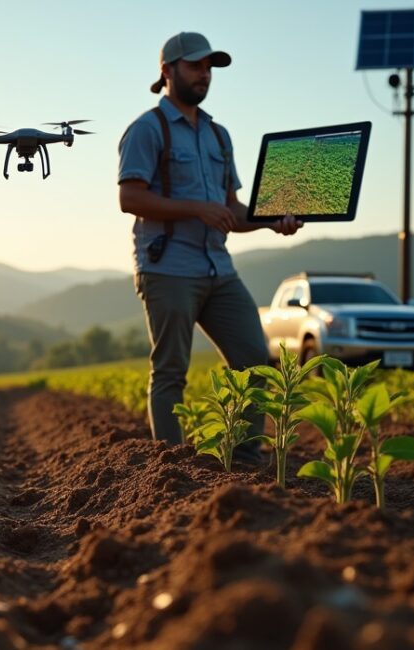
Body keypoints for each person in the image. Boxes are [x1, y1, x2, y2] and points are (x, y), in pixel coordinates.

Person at [117, 32, 303, 460]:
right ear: (167, 71)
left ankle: (243, 460)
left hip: (219, 269)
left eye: (209, 68)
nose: (205, 74)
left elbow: (231, 212)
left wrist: (273, 222)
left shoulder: (219, 136)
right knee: (170, 373)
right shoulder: (147, 129)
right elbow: (130, 198)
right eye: (196, 66)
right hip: (168, 269)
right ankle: (172, 470)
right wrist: (197, 209)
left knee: (255, 363)